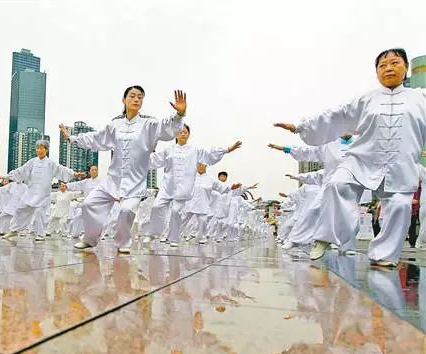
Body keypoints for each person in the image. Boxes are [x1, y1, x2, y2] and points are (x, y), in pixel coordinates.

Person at [275, 48, 426, 266]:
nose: (389, 68)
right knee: (338, 185)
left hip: (401, 163)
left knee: (400, 206)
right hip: (363, 159)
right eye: (382, 66)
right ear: (376, 73)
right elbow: (337, 115)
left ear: (405, 68)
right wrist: (301, 126)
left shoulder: (420, 98)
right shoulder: (367, 99)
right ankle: (326, 237)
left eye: (394, 63)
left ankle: (384, 255)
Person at [59, 87, 187, 254]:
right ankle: (90, 239)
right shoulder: (115, 125)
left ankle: (123, 243)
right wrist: (72, 138)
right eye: (132, 96)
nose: (136, 99)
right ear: (124, 100)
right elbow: (96, 138)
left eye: (140, 97)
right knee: (88, 204)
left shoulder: (149, 125)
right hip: (112, 181)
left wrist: (179, 115)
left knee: (126, 210)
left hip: (135, 183)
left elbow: (168, 128)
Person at [144, 125, 242, 247]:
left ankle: (174, 239)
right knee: (156, 206)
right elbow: (154, 160)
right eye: (180, 132)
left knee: (176, 211)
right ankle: (153, 232)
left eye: (185, 132)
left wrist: (227, 149)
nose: (183, 134)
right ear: (175, 134)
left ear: (188, 135)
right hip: (167, 187)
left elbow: (209, 155)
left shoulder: (195, 151)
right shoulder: (168, 150)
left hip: (183, 190)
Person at [1, 140, 83, 241]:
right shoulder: (32, 161)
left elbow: (61, 169)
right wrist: (8, 176)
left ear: (46, 150)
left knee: (40, 213)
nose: (39, 150)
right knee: (20, 209)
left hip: (43, 194)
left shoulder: (50, 163)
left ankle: (40, 234)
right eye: (37, 148)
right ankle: (14, 230)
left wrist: (74, 174)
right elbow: (21, 170)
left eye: (41, 148)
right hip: (31, 192)